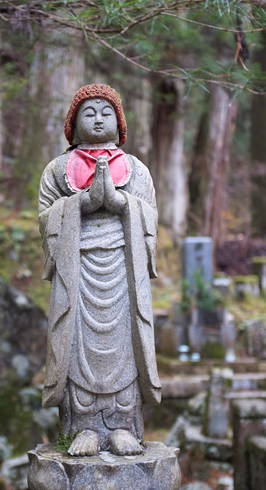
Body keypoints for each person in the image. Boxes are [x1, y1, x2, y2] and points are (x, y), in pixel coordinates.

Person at [38, 84, 161, 456]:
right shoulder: (57, 170)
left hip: (123, 267)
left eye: (106, 112)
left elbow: (150, 214)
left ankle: (124, 426)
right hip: (76, 268)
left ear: (119, 122)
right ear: (73, 123)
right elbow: (45, 216)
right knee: (75, 345)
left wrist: (121, 203)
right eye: (88, 113)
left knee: (125, 345)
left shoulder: (136, 169)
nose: (97, 119)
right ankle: (82, 428)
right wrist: (82, 204)